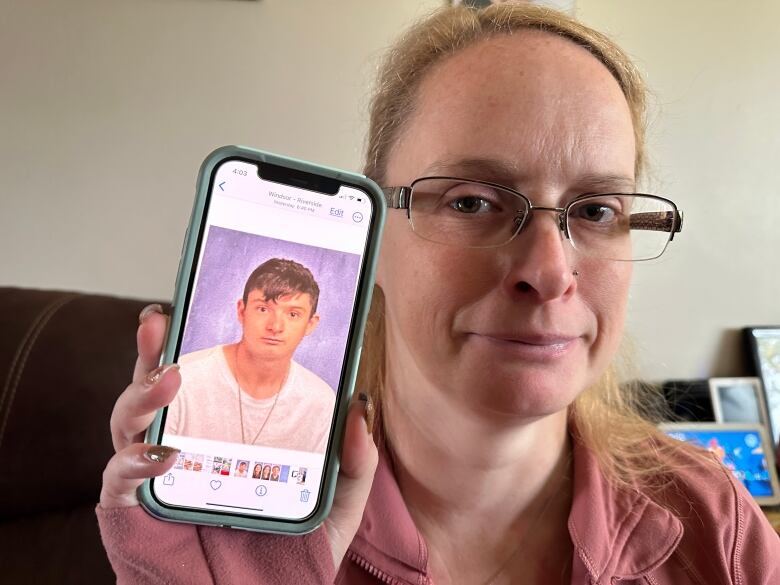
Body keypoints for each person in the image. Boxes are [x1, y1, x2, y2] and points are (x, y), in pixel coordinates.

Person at [98, 4, 780, 584]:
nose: (547, 271)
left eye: (597, 210)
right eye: (474, 200)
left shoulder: (712, 522)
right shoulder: (248, 524)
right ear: (373, 237)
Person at [165, 257, 336, 453]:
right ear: (241, 310)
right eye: (263, 309)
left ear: (310, 324)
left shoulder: (321, 402)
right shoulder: (182, 378)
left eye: (292, 314)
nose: (275, 327)